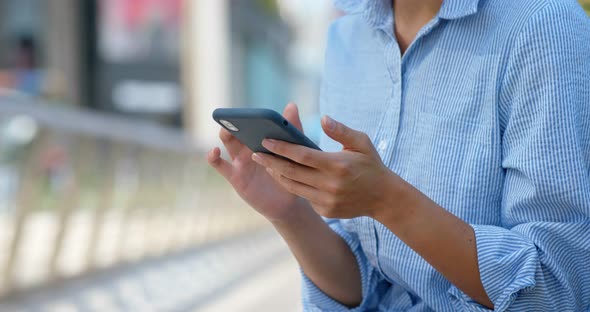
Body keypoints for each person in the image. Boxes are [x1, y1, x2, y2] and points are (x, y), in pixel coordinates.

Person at [208, 0, 590, 310]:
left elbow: (559, 289)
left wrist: (388, 201)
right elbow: (369, 286)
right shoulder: (346, 38)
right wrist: (290, 212)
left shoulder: (545, 26)